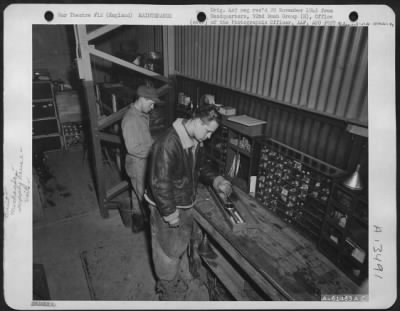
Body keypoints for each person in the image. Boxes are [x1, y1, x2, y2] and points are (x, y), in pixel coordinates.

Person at [145, 103, 232, 300]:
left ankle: (176, 275)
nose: (209, 137)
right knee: (165, 250)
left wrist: (216, 179)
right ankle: (167, 289)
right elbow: (159, 183)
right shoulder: (168, 143)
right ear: (197, 122)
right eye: (208, 131)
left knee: (178, 244)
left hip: (182, 202)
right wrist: (170, 213)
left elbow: (199, 167)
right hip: (166, 206)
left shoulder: (194, 140)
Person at [121, 84, 161, 232]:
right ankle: (150, 227)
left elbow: (144, 138)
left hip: (140, 162)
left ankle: (137, 223)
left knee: (136, 192)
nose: (152, 107)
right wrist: (155, 151)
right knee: (145, 197)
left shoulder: (141, 115)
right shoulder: (131, 119)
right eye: (151, 103)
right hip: (138, 164)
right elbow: (133, 148)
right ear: (142, 99)